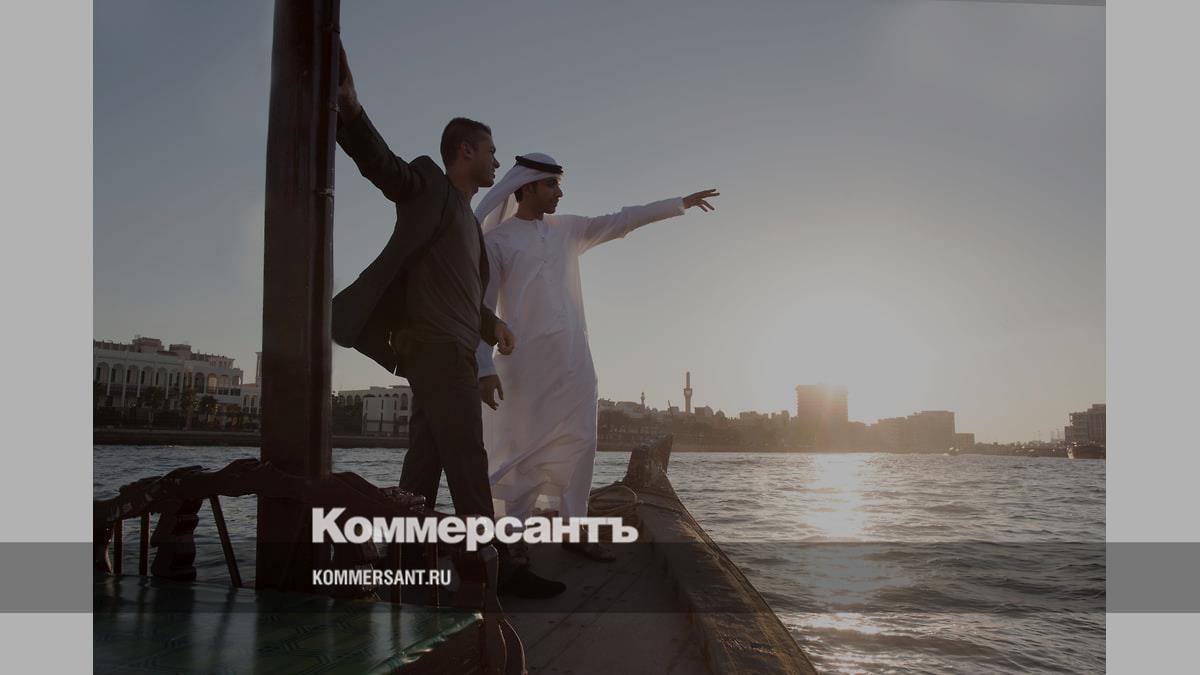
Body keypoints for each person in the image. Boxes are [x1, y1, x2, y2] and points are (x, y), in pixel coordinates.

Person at [331, 44, 563, 598]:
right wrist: (353, 114)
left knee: (424, 463)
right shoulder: (430, 187)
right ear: (465, 151)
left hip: (450, 350)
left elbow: (461, 295)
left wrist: (491, 326)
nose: (496, 162)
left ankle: (406, 562)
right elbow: (384, 168)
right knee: (467, 459)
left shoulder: (468, 226)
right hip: (436, 350)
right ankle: (495, 569)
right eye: (491, 151)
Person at [474, 153, 718, 561]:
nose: (560, 193)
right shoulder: (497, 242)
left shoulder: (567, 230)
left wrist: (678, 204)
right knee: (524, 451)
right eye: (552, 185)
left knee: (583, 442)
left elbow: (622, 220)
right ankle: (512, 539)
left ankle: (574, 529)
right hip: (525, 365)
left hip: (575, 362)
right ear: (527, 186)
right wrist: (483, 367)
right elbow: (482, 310)